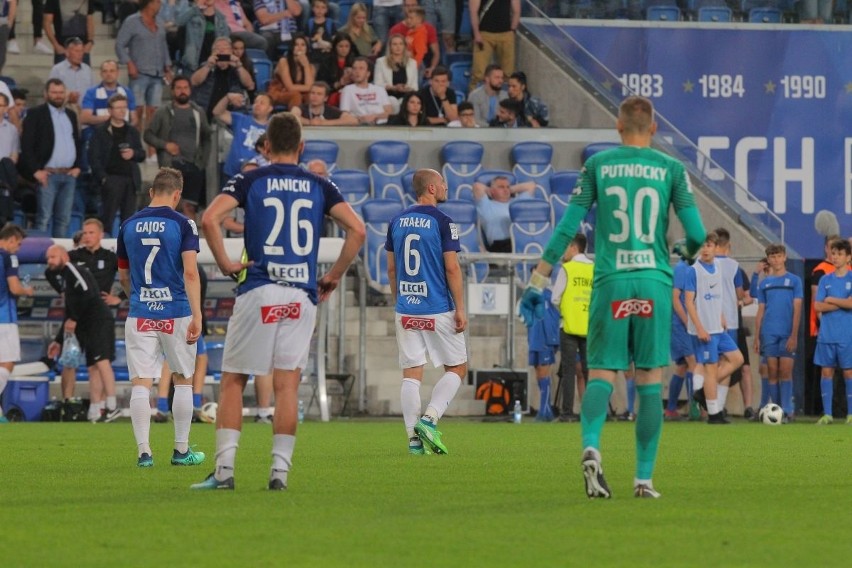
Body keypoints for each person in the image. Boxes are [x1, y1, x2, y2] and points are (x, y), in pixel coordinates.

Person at [519, 96, 706, 499]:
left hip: (610, 281)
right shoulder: (672, 169)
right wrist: (685, 254)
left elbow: (568, 227)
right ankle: (643, 480)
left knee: (602, 373)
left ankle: (591, 443)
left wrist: (537, 280)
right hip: (654, 282)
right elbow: (697, 236)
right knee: (650, 379)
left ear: (618, 128)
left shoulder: (597, 166)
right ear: (653, 129)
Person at [195, 111, 365, 490]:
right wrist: (333, 275)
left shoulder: (250, 179)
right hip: (301, 296)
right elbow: (357, 229)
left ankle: (224, 473)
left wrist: (225, 262)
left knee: (234, 380)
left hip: (259, 287)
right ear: (301, 147)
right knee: (287, 384)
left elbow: (209, 219)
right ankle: (279, 475)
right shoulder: (320, 184)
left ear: (266, 146)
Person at [117, 167, 205, 468]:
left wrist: (139, 297)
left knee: (141, 384)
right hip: (176, 310)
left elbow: (124, 274)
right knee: (183, 380)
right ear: (177, 194)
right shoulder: (184, 224)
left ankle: (144, 453)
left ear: (152, 191)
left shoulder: (127, 225)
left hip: (140, 312)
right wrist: (198, 314)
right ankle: (180, 451)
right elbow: (191, 272)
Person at [385, 168, 466, 454]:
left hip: (406, 307)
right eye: (442, 183)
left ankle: (413, 440)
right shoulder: (444, 222)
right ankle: (429, 420)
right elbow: (452, 267)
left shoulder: (395, 221)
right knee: (457, 367)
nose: (446, 187)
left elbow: (392, 269)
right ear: (431, 188)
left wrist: (401, 301)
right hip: (438, 307)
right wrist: (460, 308)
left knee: (411, 373)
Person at [45, 238, 122, 422]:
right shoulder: (64, 278)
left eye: (53, 256)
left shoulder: (72, 270)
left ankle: (112, 406)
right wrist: (58, 340)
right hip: (88, 322)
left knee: (102, 362)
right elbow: (70, 310)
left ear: (64, 256)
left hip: (98, 319)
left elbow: (88, 293)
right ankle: (96, 409)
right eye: (48, 258)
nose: (50, 261)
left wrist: (75, 318)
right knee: (92, 366)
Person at [684, 232, 744, 425]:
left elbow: (716, 295)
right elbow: (689, 302)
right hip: (704, 329)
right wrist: (700, 328)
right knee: (710, 369)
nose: (705, 249)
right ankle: (714, 414)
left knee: (737, 359)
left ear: (716, 248)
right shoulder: (693, 271)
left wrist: (721, 316)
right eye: (702, 246)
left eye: (709, 245)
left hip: (718, 326)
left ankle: (702, 392)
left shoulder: (718, 266)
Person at [18, 78, 83, 238]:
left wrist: (78, 167)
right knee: (44, 219)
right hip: (47, 175)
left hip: (68, 175)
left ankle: (59, 257)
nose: (58, 96)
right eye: (54, 92)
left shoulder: (71, 115)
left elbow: (77, 142)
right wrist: (35, 171)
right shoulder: (35, 114)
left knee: (64, 219)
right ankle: (41, 259)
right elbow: (26, 146)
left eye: (61, 92)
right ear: (46, 94)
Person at [144, 75, 212, 219]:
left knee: (190, 207)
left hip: (194, 166)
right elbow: (148, 135)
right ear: (173, 91)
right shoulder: (162, 112)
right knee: (171, 206)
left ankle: (190, 238)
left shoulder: (198, 112)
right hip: (171, 166)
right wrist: (165, 145)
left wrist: (202, 162)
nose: (182, 91)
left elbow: (207, 137)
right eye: (179, 88)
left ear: (190, 90)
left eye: (185, 88)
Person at [753, 242, 803, 422]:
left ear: (785, 257)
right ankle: (777, 411)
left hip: (787, 332)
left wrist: (794, 334)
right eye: (772, 256)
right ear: (768, 259)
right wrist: (757, 336)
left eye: (778, 255)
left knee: (786, 370)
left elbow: (797, 308)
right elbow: (761, 310)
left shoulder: (795, 281)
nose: (776, 259)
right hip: (769, 333)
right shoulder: (765, 284)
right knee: (772, 371)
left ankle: (788, 411)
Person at [550, 233, 592, 422]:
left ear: (574, 248)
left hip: (568, 326)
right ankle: (594, 412)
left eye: (566, 247)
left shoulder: (567, 269)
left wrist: (568, 310)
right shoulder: (595, 269)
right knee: (590, 371)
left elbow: (555, 298)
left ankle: (567, 412)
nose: (564, 251)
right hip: (590, 327)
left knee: (568, 371)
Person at [89, 93, 146, 231]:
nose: (122, 110)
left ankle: (125, 250)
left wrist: (133, 153)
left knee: (128, 221)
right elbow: (93, 158)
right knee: (106, 219)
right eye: (118, 107)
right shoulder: (100, 132)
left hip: (130, 180)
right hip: (111, 180)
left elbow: (142, 154)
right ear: (110, 110)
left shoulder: (132, 131)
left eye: (124, 107)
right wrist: (103, 179)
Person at [115, 0, 173, 132]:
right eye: (158, 2)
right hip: (139, 73)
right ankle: (136, 145)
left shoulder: (159, 21)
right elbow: (119, 45)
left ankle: (151, 148)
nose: (160, 5)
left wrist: (167, 67)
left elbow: (164, 45)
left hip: (158, 73)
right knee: (137, 111)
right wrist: (129, 63)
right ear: (150, 3)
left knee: (154, 112)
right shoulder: (131, 21)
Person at [813, 238, 852, 425]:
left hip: (847, 335)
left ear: (848, 257)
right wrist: (841, 302)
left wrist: (831, 300)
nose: (835, 257)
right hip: (827, 335)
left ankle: (850, 414)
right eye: (833, 253)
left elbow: (851, 304)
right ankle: (827, 414)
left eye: (839, 254)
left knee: (849, 374)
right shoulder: (824, 279)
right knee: (826, 373)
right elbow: (818, 305)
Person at [0, 223, 34, 424]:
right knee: (7, 363)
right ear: (10, 239)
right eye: (18, 244)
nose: (18, 249)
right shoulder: (8, 257)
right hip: (4, 318)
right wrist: (27, 291)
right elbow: (14, 287)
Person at [189, 36, 255, 119]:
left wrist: (239, 66)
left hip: (229, 115)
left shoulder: (237, 68)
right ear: (212, 53)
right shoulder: (205, 66)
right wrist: (208, 66)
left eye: (225, 48)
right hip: (206, 113)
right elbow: (194, 81)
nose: (221, 51)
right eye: (217, 49)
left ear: (231, 52)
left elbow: (249, 85)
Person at [667, 244, 697, 421]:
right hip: (681, 325)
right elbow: (675, 298)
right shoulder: (681, 269)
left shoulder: (689, 269)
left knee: (682, 366)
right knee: (693, 362)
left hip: (684, 324)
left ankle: (671, 409)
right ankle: (695, 408)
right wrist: (687, 322)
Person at [213, 91, 273, 177]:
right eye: (255, 102)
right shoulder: (241, 119)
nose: (257, 105)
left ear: (270, 108)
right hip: (231, 174)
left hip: (256, 176)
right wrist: (228, 97)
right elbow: (217, 113)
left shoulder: (272, 129)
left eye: (262, 103)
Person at [472, 175, 535, 252]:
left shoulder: (516, 202)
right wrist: (489, 190)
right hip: (500, 245)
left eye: (507, 187)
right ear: (492, 190)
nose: (505, 190)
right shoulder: (486, 204)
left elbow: (531, 185)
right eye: (501, 187)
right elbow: (477, 186)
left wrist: (511, 189)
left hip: (521, 240)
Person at [468, 0, 518, 91]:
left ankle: (506, 100)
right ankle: (473, 101)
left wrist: (512, 30)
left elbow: (517, 10)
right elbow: (473, 11)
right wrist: (476, 33)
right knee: (479, 72)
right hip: (484, 34)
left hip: (506, 34)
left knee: (508, 73)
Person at [80, 60, 138, 131]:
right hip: (98, 132)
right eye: (105, 71)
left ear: (117, 73)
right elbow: (84, 118)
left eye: (112, 71)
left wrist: (126, 130)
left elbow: (134, 119)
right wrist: (112, 118)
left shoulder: (127, 92)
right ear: (100, 74)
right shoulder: (91, 92)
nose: (108, 74)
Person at [174, 0, 229, 74]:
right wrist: (196, 8)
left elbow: (225, 41)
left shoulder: (221, 18)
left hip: (213, 64)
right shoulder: (193, 14)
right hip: (193, 62)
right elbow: (178, 22)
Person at [339, 56, 393, 125]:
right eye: (354, 68)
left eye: (361, 68)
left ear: (368, 73)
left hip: (381, 125)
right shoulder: (348, 89)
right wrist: (360, 119)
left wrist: (375, 116)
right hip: (360, 125)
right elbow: (345, 114)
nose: (357, 71)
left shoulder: (379, 89)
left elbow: (389, 112)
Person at [372, 33, 418, 113]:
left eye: (401, 44)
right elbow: (377, 85)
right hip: (387, 95)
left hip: (405, 96)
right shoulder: (381, 62)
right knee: (393, 101)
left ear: (404, 46)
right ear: (390, 46)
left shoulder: (412, 63)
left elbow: (415, 87)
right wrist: (393, 88)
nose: (398, 47)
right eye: (395, 44)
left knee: (404, 102)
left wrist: (407, 88)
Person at [47, 37, 94, 113]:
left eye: (81, 51)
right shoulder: (57, 70)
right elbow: (49, 94)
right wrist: (68, 98)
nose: (80, 54)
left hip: (85, 113)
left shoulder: (87, 69)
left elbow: (92, 93)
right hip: (63, 112)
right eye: (76, 51)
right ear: (67, 53)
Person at [267, 33, 314, 107]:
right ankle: (294, 118)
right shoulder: (283, 62)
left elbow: (311, 87)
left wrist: (306, 65)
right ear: (292, 47)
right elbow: (290, 87)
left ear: (307, 48)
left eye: (303, 45)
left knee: (311, 96)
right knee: (296, 95)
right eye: (296, 44)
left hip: (298, 93)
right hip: (279, 92)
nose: (299, 47)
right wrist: (307, 87)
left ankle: (310, 117)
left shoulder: (310, 67)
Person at [289, 81, 359, 126]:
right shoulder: (301, 108)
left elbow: (353, 120)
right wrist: (309, 122)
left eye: (319, 94)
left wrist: (324, 123)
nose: (315, 96)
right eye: (313, 93)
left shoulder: (330, 110)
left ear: (325, 98)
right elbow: (292, 117)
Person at [315, 33, 356, 106]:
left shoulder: (355, 62)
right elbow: (321, 84)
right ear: (335, 47)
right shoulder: (327, 62)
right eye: (341, 46)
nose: (344, 49)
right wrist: (338, 84)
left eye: (347, 46)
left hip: (353, 92)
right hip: (333, 94)